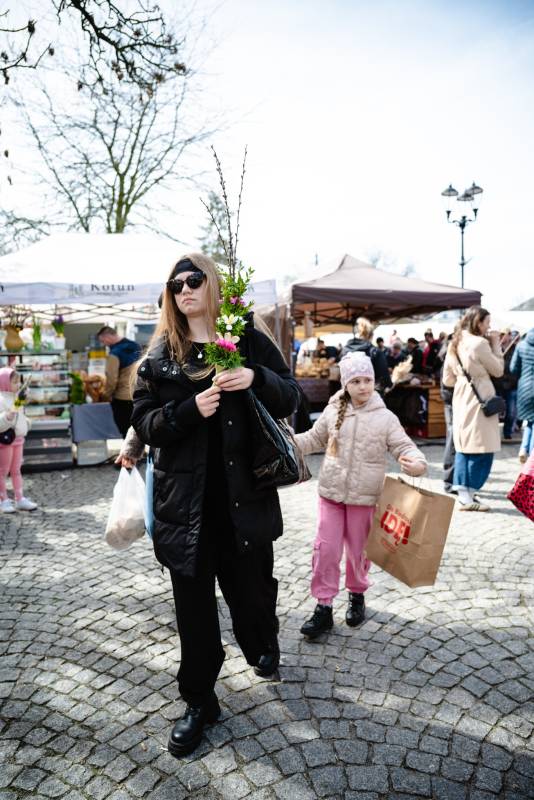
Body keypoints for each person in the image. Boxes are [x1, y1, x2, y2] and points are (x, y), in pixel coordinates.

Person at [130, 253, 299, 756]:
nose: (184, 289)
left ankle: (261, 640)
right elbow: (143, 420)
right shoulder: (162, 354)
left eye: (194, 280)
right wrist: (187, 411)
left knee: (253, 597)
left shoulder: (245, 339)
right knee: (194, 613)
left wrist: (255, 378)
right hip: (185, 510)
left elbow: (292, 397)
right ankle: (199, 700)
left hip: (244, 500)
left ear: (214, 284)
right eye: (175, 284)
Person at [293, 352, 426, 639]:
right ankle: (324, 606)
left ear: (374, 381)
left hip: (365, 498)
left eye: (367, 380)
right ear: (345, 384)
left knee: (358, 552)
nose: (363, 386)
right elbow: (314, 439)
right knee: (326, 550)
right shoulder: (332, 411)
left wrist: (416, 462)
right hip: (331, 494)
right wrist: (287, 442)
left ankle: (356, 593)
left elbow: (404, 446)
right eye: (355, 381)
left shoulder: (385, 418)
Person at [443, 306, 504, 511]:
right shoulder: (480, 343)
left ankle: (465, 494)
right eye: (487, 323)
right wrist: (496, 343)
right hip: (480, 397)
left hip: (461, 397)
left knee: (464, 446)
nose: (489, 327)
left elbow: (447, 380)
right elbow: (498, 370)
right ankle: (467, 495)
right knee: (483, 446)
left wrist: (464, 378)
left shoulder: (455, 342)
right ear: (478, 322)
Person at [0, 368, 37, 513]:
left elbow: (20, 416)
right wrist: (13, 410)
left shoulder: (16, 396)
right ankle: (3, 500)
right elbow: (4, 421)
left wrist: (26, 423)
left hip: (18, 438)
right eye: (14, 382)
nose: (18, 384)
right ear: (4, 383)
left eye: (18, 382)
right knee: (2, 471)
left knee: (16, 470)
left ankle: (20, 498)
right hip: (5, 440)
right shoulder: (1, 399)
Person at [97, 326, 142, 437]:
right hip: (140, 395)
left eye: (103, 341)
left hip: (122, 398)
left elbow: (112, 379)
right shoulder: (136, 346)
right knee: (140, 431)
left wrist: (106, 395)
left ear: (108, 336)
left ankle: (129, 449)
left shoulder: (115, 353)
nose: (104, 344)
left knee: (126, 432)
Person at [341, 317, 391, 391]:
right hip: (370, 392)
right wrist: (389, 384)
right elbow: (384, 376)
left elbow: (341, 374)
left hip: (350, 392)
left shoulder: (345, 350)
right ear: (371, 335)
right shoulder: (375, 351)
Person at [510, 327, 534, 463]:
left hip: (524, 387)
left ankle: (524, 448)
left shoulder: (521, 345)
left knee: (530, 421)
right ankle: (531, 456)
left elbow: (513, 368)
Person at [495, 328, 519, 441]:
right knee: (494, 411)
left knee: (511, 412)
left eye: (504, 334)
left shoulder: (515, 349)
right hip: (498, 384)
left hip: (512, 385)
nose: (502, 337)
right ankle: (494, 433)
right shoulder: (496, 349)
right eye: (501, 335)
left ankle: (507, 432)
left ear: (509, 335)